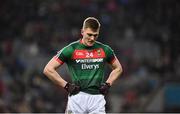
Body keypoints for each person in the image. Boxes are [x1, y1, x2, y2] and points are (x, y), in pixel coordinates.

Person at [43, 17, 123, 114]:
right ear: (82, 31)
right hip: (77, 98)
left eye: (95, 35)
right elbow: (48, 69)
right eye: (89, 34)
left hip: (97, 99)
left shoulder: (105, 50)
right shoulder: (71, 49)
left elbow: (118, 68)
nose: (92, 38)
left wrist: (108, 84)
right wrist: (66, 86)